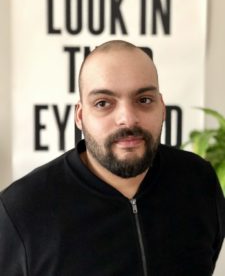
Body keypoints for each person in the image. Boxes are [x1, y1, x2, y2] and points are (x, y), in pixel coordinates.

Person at [0, 40, 224, 276]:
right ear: (80, 116)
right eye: (103, 103)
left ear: (162, 108)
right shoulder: (21, 210)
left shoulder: (200, 181)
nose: (127, 118)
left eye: (144, 100)